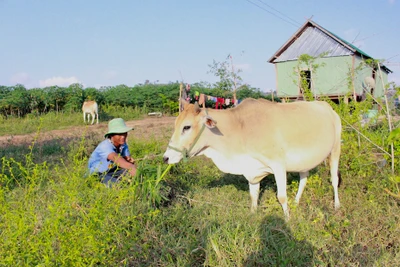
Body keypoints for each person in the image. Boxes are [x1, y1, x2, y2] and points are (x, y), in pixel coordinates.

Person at [88, 118, 137, 186]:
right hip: (98, 174)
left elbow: (127, 160)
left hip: (111, 170)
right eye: (119, 134)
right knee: (118, 185)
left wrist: (128, 159)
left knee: (128, 173)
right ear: (111, 135)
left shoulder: (123, 145)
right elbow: (116, 159)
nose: (123, 136)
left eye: (124, 133)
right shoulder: (105, 146)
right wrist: (130, 166)